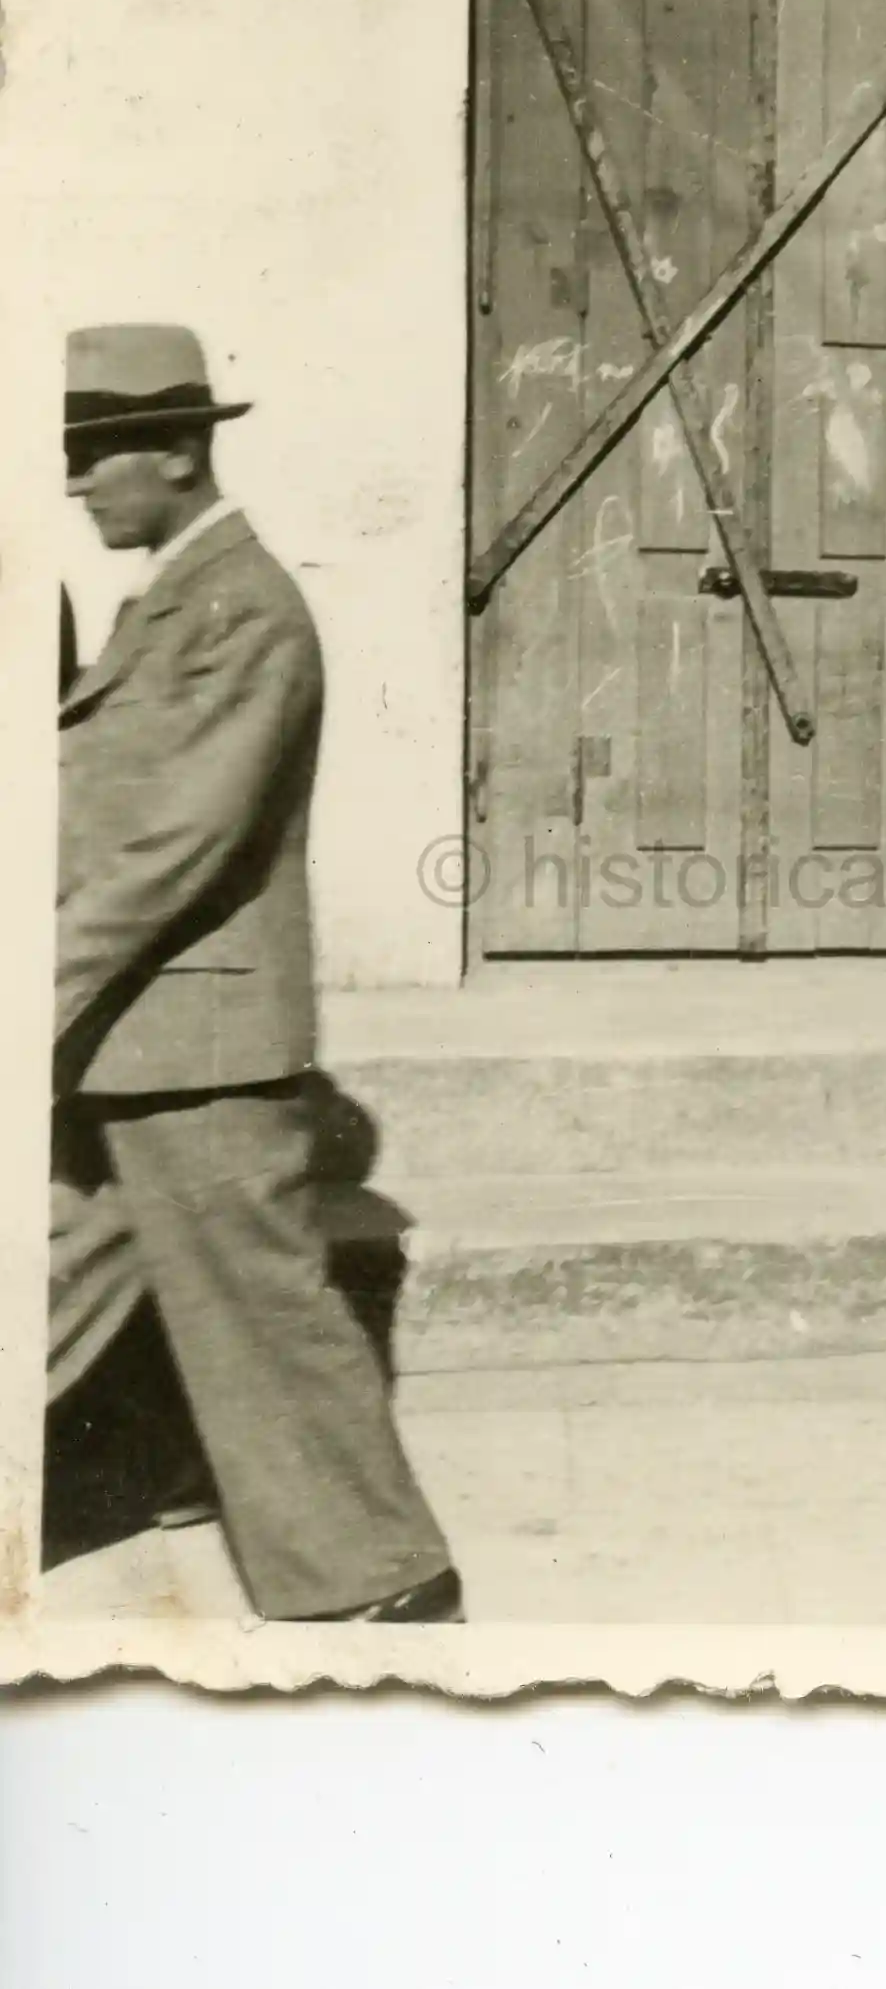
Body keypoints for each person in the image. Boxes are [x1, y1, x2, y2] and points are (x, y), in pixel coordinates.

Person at [53, 324, 463, 1622]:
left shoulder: (246, 607)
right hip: (141, 1033)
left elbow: (180, 840)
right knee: (75, 1277)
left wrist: (36, 993)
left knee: (266, 1308)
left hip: (201, 1039)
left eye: (93, 458)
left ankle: (392, 1571)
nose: (76, 484)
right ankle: (190, 1475)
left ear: (174, 453)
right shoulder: (176, 591)